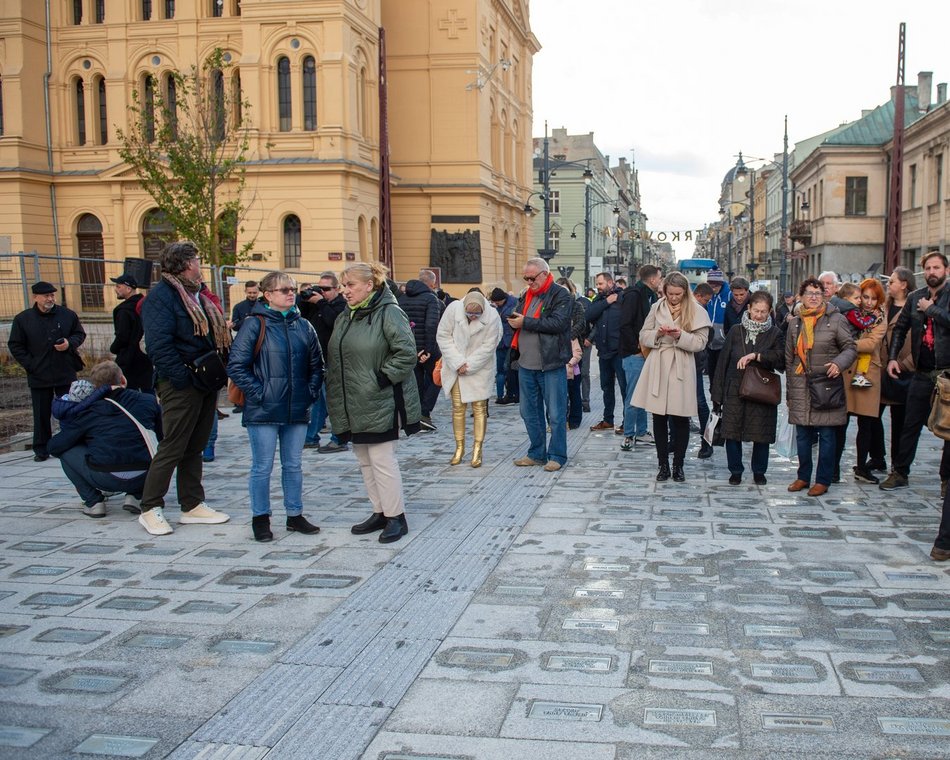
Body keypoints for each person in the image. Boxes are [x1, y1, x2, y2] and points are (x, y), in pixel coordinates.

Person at [138, 241, 232, 536]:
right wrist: (181, 378)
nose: (201, 267)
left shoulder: (195, 295)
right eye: (197, 261)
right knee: (173, 446)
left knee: (195, 445)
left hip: (203, 381)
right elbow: (158, 346)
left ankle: (191, 504)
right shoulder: (162, 297)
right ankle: (150, 507)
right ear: (184, 265)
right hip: (180, 383)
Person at [326, 262, 421, 543]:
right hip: (354, 400)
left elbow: (406, 352)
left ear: (370, 285)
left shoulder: (389, 312)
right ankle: (379, 511)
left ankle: (396, 517)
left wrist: (380, 379)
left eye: (350, 285)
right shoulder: (347, 316)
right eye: (343, 285)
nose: (345, 291)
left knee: (381, 460)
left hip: (380, 400)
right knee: (365, 460)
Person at [227, 271, 323, 542]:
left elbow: (318, 365)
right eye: (284, 290)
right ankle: (261, 518)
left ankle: (295, 514)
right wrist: (260, 393)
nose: (291, 293)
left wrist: (310, 392)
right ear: (268, 295)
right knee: (262, 466)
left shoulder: (304, 325)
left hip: (296, 408)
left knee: (293, 464)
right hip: (264, 410)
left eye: (292, 289)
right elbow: (236, 365)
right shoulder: (254, 324)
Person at [47, 361, 161, 518]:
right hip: (147, 474)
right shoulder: (148, 400)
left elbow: (54, 447)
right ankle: (135, 495)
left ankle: (93, 502)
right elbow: (163, 436)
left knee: (65, 449)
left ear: (95, 387)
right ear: (123, 379)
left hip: (105, 477)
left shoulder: (89, 409)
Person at [632, 272, 712, 483]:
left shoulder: (696, 310)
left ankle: (679, 464)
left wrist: (680, 335)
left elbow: (700, 342)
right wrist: (657, 334)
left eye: (678, 294)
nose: (674, 298)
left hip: (682, 365)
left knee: (681, 416)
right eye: (670, 294)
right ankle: (663, 464)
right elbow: (643, 335)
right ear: (665, 291)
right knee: (658, 416)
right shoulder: (657, 307)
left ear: (685, 292)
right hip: (659, 363)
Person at [881, 251, 950, 491]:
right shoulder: (915, 297)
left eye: (937, 268)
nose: (932, 272)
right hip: (922, 372)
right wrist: (892, 358)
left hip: (947, 374)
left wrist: (931, 310)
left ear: (946, 271)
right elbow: (900, 330)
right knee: (910, 424)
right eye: (928, 268)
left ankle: (946, 479)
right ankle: (900, 472)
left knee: (949, 430)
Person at [785, 277, 856, 497]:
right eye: (809, 293)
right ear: (802, 297)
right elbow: (789, 358)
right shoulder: (794, 323)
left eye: (818, 293)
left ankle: (823, 479)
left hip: (826, 385)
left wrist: (838, 363)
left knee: (826, 435)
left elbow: (850, 348)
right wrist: (789, 391)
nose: (814, 297)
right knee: (803, 435)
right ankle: (803, 476)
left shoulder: (836, 319)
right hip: (801, 385)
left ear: (824, 295)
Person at [711, 290, 785, 485]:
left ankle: (759, 471)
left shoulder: (775, 333)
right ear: (749, 308)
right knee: (732, 432)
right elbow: (723, 362)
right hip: (734, 387)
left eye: (764, 312)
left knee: (761, 433)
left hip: (762, 390)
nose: (759, 315)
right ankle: (735, 470)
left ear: (770, 312)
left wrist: (758, 357)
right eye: (756, 310)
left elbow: (781, 360)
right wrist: (717, 394)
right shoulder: (736, 331)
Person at [7, 281, 86, 461]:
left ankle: (71, 443)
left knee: (70, 409)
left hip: (64, 369)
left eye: (52, 295)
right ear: (35, 297)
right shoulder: (23, 319)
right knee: (41, 412)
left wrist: (69, 344)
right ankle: (41, 448)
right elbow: (16, 345)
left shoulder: (67, 315)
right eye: (46, 296)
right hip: (39, 373)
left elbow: (79, 334)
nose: (50, 299)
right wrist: (31, 364)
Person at [507, 257, 573, 472]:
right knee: (528, 412)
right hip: (526, 364)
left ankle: (557, 455)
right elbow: (521, 318)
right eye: (525, 278)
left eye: (532, 278)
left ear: (545, 274)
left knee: (555, 413)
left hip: (551, 364)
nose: (528, 282)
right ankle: (536, 453)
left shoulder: (560, 294)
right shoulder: (527, 295)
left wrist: (525, 321)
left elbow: (558, 323)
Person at [436, 290, 502, 468]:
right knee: (458, 408)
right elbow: (443, 336)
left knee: (479, 409)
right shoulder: (453, 310)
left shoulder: (492, 316)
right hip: (455, 367)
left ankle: (477, 450)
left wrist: (470, 365)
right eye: (469, 314)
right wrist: (458, 363)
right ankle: (459, 448)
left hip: (479, 369)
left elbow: (490, 345)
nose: (473, 317)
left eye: (477, 314)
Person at [842, 279, 887, 484]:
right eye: (865, 297)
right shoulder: (851, 313)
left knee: (866, 422)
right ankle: (833, 468)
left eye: (873, 298)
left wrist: (846, 344)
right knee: (840, 421)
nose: (868, 302)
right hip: (848, 370)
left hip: (868, 372)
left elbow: (870, 343)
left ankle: (862, 466)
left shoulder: (880, 318)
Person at [299, 272, 349, 452]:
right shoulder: (315, 306)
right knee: (318, 402)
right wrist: (304, 298)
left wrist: (321, 302)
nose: (322, 292)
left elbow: (335, 323)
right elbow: (301, 318)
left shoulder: (342, 305)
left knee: (334, 402)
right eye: (319, 288)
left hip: (334, 361)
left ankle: (339, 438)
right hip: (316, 361)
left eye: (326, 289)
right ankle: (311, 437)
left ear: (337, 289)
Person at [876, 267, 916, 476]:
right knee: (872, 417)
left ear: (904, 284)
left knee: (900, 422)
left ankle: (898, 465)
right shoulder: (883, 306)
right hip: (881, 370)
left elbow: (920, 342)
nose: (888, 285)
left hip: (903, 371)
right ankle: (877, 457)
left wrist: (905, 363)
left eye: (892, 281)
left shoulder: (916, 307)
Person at [619, 264, 661, 451]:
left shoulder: (650, 295)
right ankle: (628, 434)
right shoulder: (634, 295)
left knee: (643, 394)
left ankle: (642, 431)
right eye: (659, 278)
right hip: (634, 354)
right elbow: (625, 324)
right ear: (652, 279)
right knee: (633, 395)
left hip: (646, 352)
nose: (660, 281)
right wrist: (636, 347)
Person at [397, 269, 443, 431]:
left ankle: (414, 416)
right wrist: (428, 350)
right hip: (426, 347)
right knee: (438, 377)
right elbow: (431, 325)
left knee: (415, 382)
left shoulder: (401, 299)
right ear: (432, 283)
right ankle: (423, 412)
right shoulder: (431, 299)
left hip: (408, 347)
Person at [586, 272, 627, 433]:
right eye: (597, 284)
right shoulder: (599, 300)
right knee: (606, 387)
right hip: (603, 350)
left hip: (619, 351)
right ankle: (608, 420)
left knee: (625, 387)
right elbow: (588, 315)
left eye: (601, 284)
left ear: (610, 283)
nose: (598, 286)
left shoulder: (622, 298)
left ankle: (626, 422)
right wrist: (607, 302)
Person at [109, 274, 153, 393]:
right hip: (145, 355)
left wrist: (114, 348)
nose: (115, 289)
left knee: (128, 392)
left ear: (128, 289)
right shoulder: (146, 304)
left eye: (118, 286)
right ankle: (152, 410)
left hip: (129, 358)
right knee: (147, 390)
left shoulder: (124, 311)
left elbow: (122, 336)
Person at [556, 278, 588, 429]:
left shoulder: (577, 306)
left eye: (565, 289)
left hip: (574, 351)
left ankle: (575, 419)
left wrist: (566, 337)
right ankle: (559, 419)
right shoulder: (554, 306)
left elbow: (581, 324)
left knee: (574, 387)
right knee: (557, 389)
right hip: (555, 352)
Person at [692, 281, 715, 458]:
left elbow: (709, 333)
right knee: (700, 402)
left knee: (700, 403)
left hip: (695, 361)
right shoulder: (695, 308)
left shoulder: (699, 310)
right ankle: (706, 442)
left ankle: (707, 441)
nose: (706, 303)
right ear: (698, 295)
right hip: (694, 361)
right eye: (706, 300)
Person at [489, 287, 519, 404]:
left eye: (497, 302)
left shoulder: (514, 304)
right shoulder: (497, 307)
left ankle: (513, 394)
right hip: (499, 341)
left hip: (510, 341)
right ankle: (501, 396)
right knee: (501, 369)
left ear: (503, 299)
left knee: (510, 369)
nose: (496, 304)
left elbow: (513, 321)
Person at [704, 268, 731, 386]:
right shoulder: (708, 296)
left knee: (721, 374)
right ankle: (714, 401)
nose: (713, 289)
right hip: (709, 342)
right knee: (711, 373)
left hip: (723, 342)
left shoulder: (729, 295)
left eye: (715, 286)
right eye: (711, 286)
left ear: (720, 284)